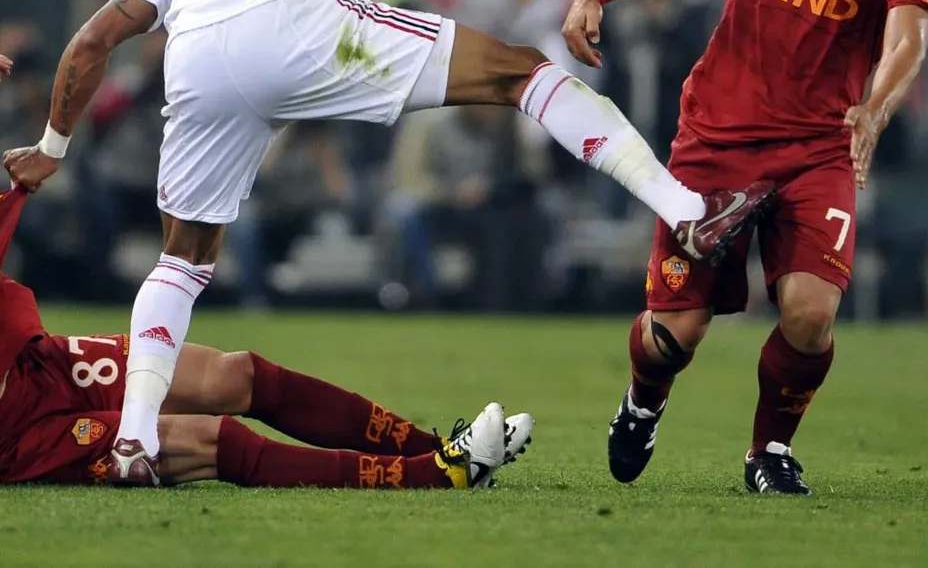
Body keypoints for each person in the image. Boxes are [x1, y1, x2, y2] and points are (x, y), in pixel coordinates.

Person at [3, 0, 772, 484]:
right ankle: (689, 213)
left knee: (183, 261)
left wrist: (51, 147)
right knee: (520, 72)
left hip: (199, 56)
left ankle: (134, 439)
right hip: (299, 26)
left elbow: (94, 40)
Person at [561, 0, 928, 496]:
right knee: (675, 332)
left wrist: (875, 105)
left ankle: (769, 449)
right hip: (717, 140)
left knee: (809, 313)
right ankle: (644, 399)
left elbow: (908, 42)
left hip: (817, 150)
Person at [0, 187, 532, 490]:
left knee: (236, 375)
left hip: (29, 363)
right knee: (207, 439)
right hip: (13, 433)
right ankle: (436, 476)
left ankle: (440, 451)